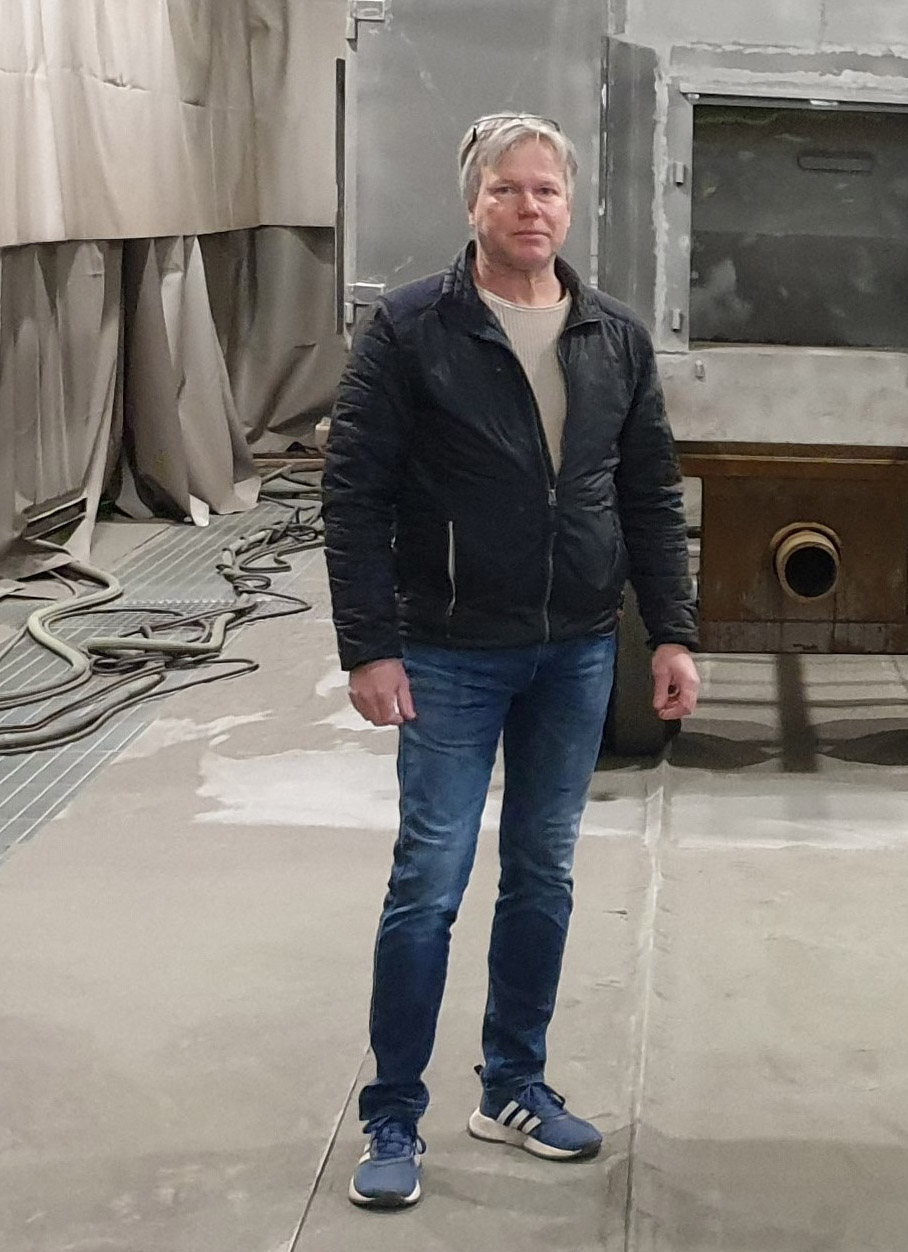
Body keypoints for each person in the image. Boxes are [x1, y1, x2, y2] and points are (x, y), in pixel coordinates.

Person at [322, 112, 700, 1210]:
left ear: (568, 207)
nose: (528, 207)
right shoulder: (410, 329)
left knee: (542, 873)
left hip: (574, 649)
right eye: (506, 189)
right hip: (447, 651)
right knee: (428, 883)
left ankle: (512, 1085)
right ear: (472, 202)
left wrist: (670, 631)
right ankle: (393, 1113)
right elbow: (353, 496)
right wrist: (370, 648)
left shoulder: (612, 336)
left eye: (545, 190)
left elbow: (649, 495)